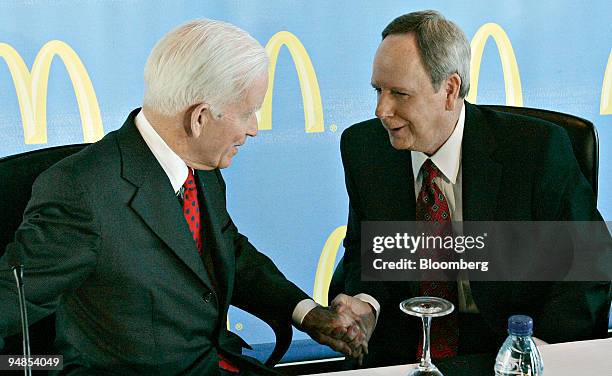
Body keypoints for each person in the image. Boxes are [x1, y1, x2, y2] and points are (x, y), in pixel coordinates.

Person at [0, 19, 370, 375]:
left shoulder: (201, 169)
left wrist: (307, 313)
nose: (254, 129)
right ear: (200, 118)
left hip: (221, 361)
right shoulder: (81, 191)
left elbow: (230, 253)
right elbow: (11, 301)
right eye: (249, 113)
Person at [336, 10, 611, 367]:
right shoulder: (365, 149)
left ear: (449, 90)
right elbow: (366, 252)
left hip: (510, 346)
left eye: (400, 94)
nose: (381, 110)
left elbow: (588, 267)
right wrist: (366, 306)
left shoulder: (536, 150)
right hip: (405, 350)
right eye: (378, 90)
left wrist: (537, 357)